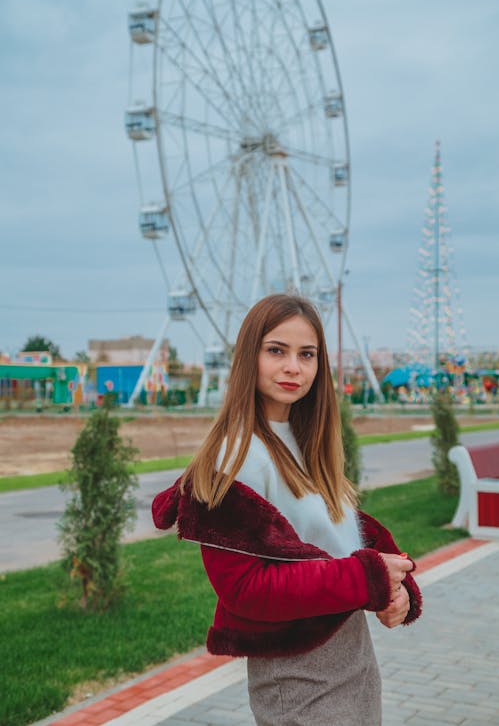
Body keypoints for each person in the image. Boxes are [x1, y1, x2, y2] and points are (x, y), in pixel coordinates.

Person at [152, 294, 422, 725]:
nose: (294, 367)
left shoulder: (305, 442)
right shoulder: (235, 454)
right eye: (277, 350)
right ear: (249, 357)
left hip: (351, 661)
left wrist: (396, 591)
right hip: (298, 675)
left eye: (307, 354)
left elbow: (336, 540)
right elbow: (246, 590)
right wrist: (366, 577)